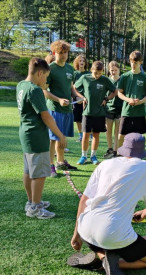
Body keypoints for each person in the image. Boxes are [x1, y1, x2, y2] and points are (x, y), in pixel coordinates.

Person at [68, 133, 146, 275]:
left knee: (105, 240)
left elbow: (84, 200)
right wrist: (145, 212)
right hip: (111, 233)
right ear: (142, 152)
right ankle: (109, 262)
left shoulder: (104, 164)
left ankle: (102, 255)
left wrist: (76, 234)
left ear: (122, 149)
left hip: (85, 230)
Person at [17, 58, 67, 219]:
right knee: (39, 174)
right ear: (39, 73)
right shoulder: (35, 90)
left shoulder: (21, 85)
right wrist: (60, 135)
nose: (46, 80)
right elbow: (46, 117)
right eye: (45, 76)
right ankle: (35, 208)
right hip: (36, 136)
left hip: (26, 134)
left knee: (28, 170)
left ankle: (32, 201)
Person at [43, 40, 79, 177]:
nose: (64, 55)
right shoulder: (50, 69)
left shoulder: (70, 69)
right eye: (61, 53)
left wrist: (76, 97)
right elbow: (44, 91)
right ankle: (50, 166)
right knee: (53, 138)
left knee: (62, 137)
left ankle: (60, 161)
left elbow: (71, 87)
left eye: (66, 52)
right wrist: (58, 100)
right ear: (55, 53)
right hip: (54, 109)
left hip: (67, 109)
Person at [74, 61, 117, 165]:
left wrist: (106, 99)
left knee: (96, 135)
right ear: (92, 70)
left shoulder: (105, 80)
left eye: (100, 73)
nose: (98, 75)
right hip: (87, 112)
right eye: (96, 73)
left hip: (100, 113)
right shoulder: (85, 78)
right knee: (85, 135)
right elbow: (74, 88)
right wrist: (82, 97)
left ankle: (93, 156)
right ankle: (83, 156)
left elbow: (115, 91)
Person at [117, 51, 146, 146]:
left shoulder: (145, 78)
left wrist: (140, 102)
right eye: (131, 62)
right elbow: (119, 93)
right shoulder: (124, 76)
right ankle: (120, 155)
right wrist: (129, 100)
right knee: (121, 136)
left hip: (139, 112)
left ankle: (137, 157)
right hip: (126, 111)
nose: (133, 64)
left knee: (138, 138)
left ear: (140, 62)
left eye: (135, 62)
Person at [104, 61, 123, 159]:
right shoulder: (106, 80)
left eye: (115, 70)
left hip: (120, 108)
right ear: (109, 70)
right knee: (108, 130)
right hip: (108, 108)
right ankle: (109, 149)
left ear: (119, 70)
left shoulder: (122, 80)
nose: (114, 72)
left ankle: (116, 150)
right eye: (112, 70)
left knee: (117, 132)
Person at [72, 54, 90, 142]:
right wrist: (76, 98)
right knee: (78, 119)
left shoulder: (89, 74)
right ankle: (80, 136)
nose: (82, 62)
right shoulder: (74, 73)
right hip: (77, 100)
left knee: (87, 118)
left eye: (83, 61)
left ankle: (88, 135)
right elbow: (72, 87)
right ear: (77, 62)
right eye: (80, 61)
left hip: (87, 100)